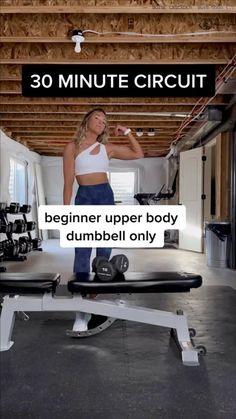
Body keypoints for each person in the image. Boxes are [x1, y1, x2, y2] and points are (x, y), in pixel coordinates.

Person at [63, 108, 144, 331]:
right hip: (84, 197)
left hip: (105, 196)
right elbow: (68, 183)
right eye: (97, 118)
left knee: (104, 251)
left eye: (104, 120)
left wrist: (127, 131)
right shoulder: (72, 147)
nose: (101, 122)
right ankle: (80, 310)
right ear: (86, 120)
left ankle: (93, 297)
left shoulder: (107, 149)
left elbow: (139, 154)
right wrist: (65, 212)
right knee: (82, 249)